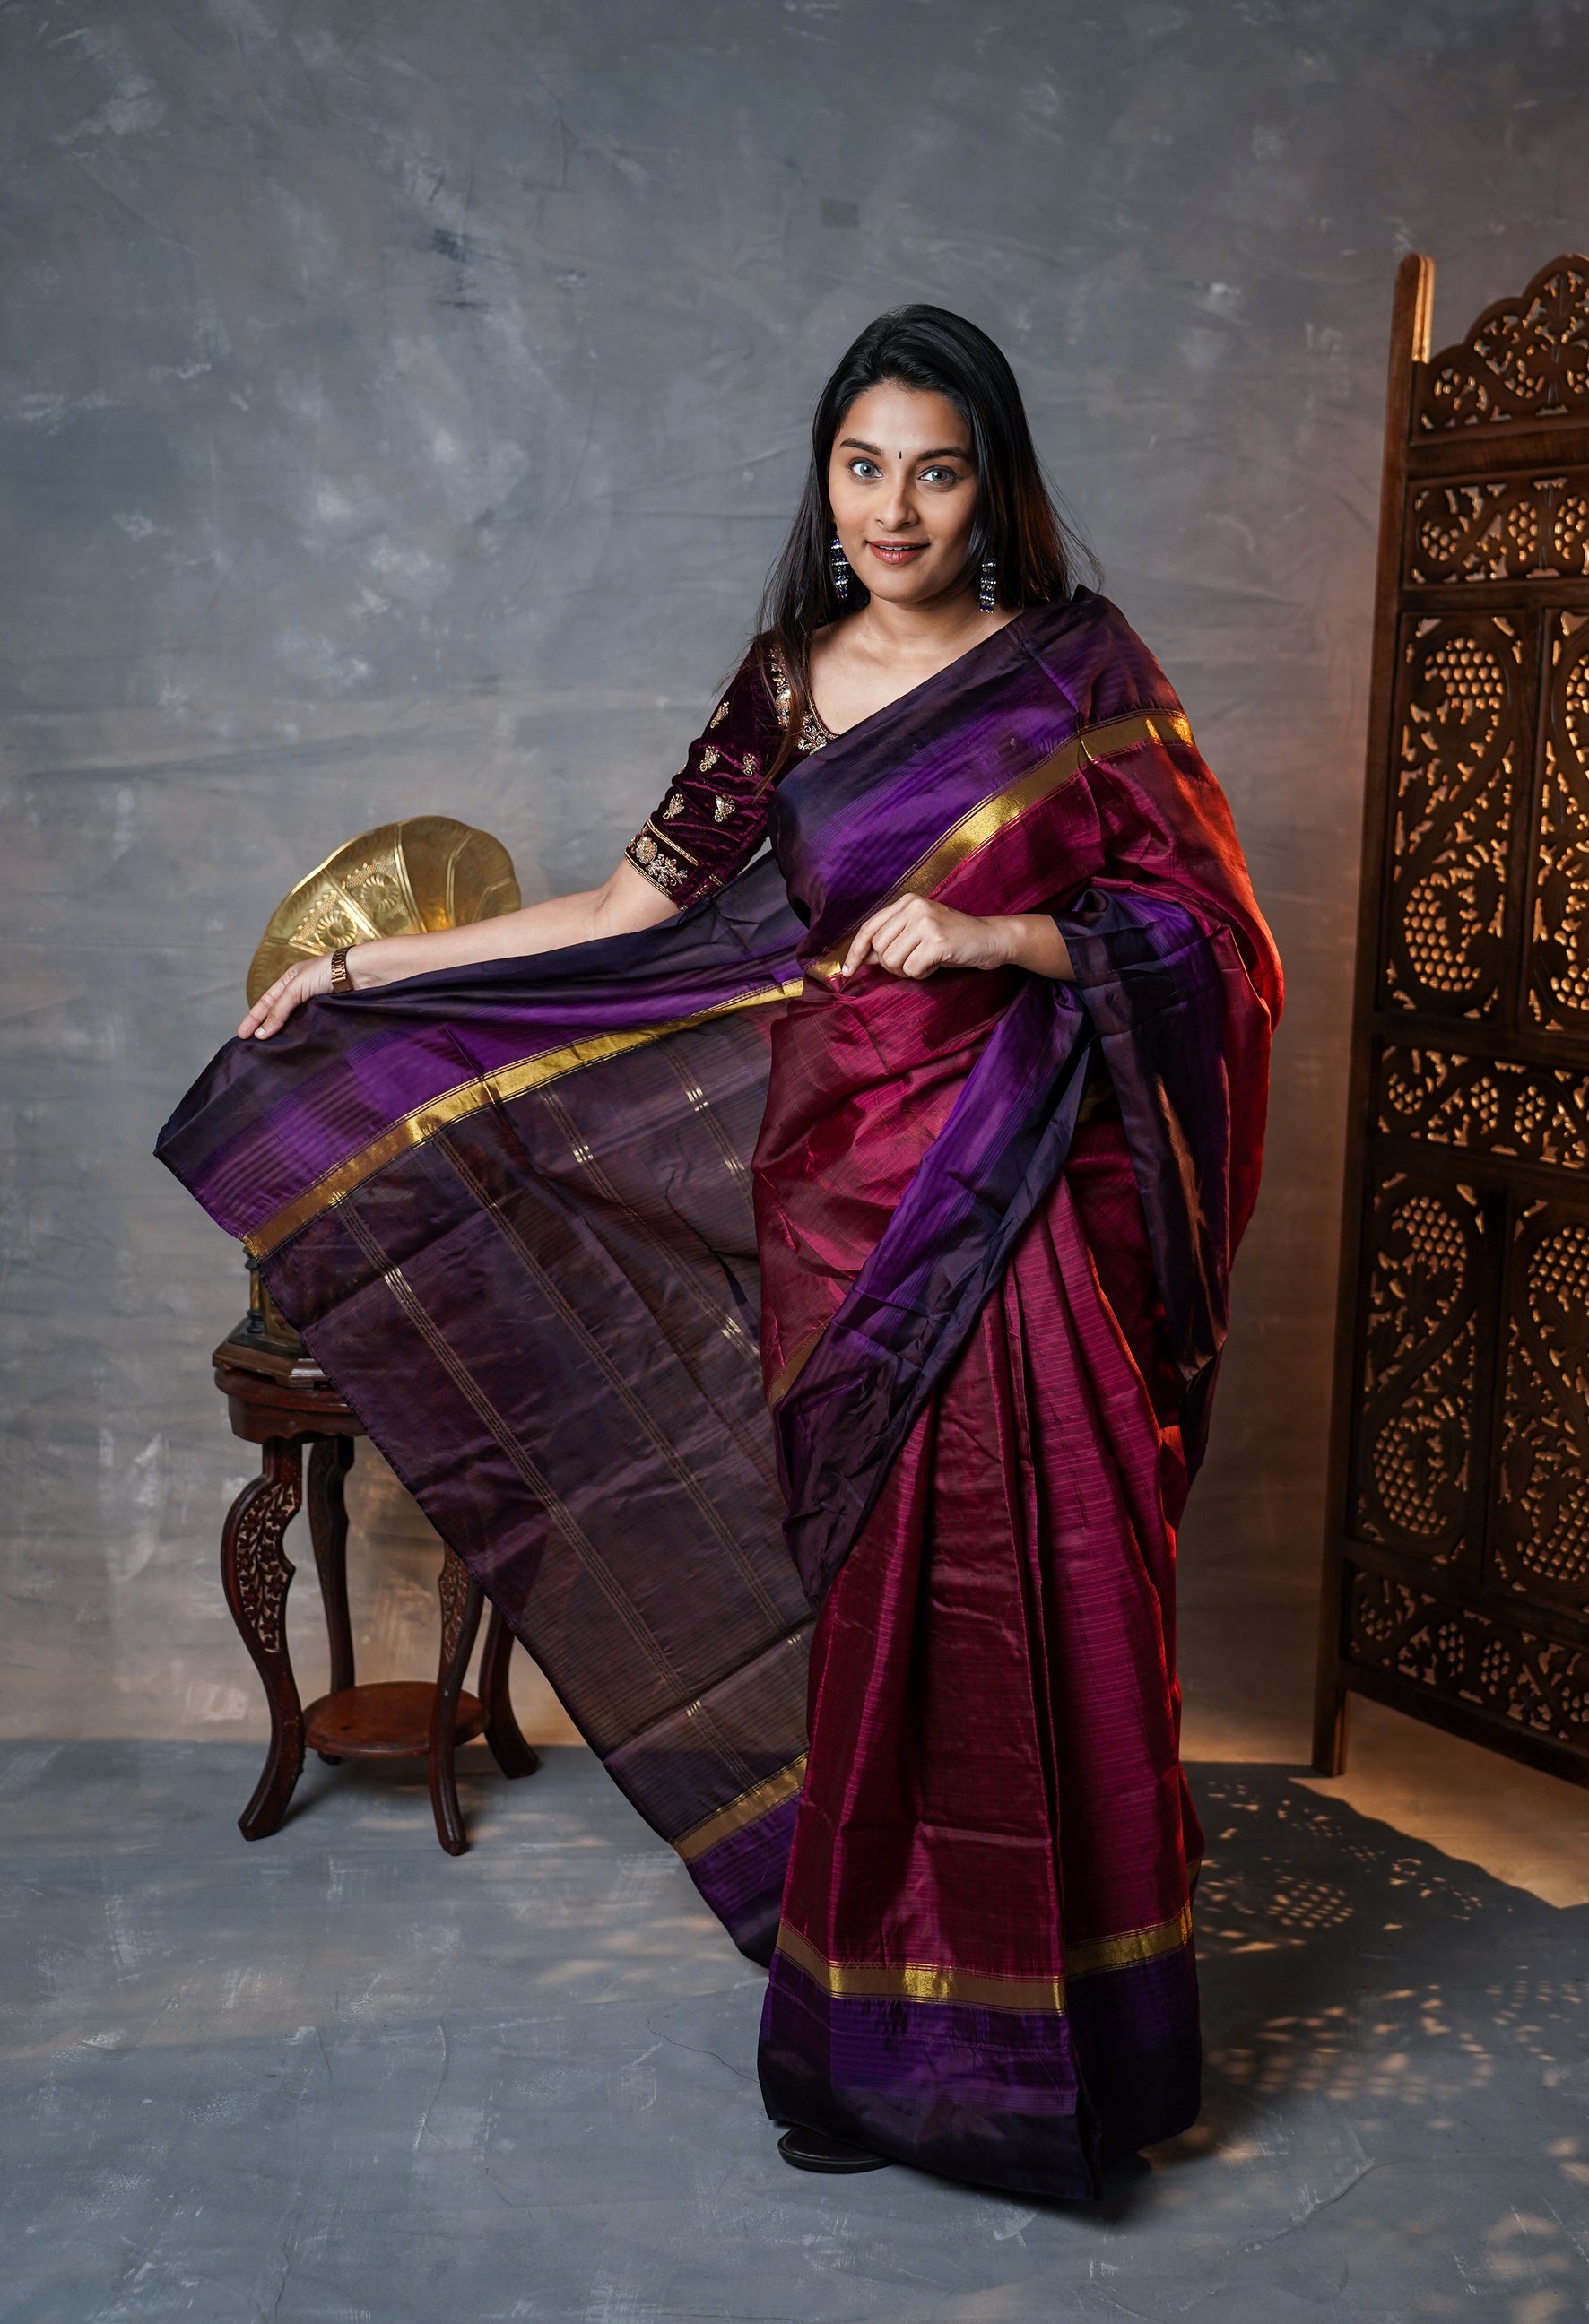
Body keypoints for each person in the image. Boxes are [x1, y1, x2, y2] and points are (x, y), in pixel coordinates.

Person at [161, 306, 1282, 2200]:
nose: (894, 509)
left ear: (992, 485)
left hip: (1031, 1186)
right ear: (823, 479)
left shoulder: (1076, 671)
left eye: (935, 471)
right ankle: (884, 2046)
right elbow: (624, 908)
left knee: (1049, 1584)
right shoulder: (786, 687)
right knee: (894, 1611)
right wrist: (361, 967)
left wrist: (1002, 939)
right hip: (845, 1195)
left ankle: (1075, 2055)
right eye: (862, 466)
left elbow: (1213, 941)